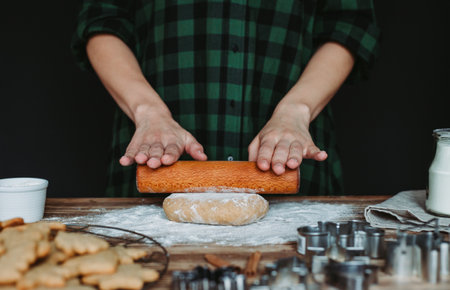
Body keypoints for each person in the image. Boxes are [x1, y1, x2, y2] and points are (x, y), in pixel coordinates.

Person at [72, 0, 379, 197]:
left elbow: (348, 24)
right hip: (153, 155)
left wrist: (296, 111)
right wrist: (148, 111)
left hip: (293, 160)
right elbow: (103, 18)